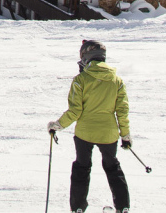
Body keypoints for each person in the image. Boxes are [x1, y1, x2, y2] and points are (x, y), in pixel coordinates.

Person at [47, 39, 131, 213]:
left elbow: (75, 111)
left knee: (82, 167)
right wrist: (125, 135)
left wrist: (57, 125)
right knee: (112, 167)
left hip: (85, 133)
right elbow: (122, 111)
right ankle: (123, 207)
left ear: (86, 57)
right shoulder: (117, 80)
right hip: (109, 134)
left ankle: (78, 207)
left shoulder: (81, 80)